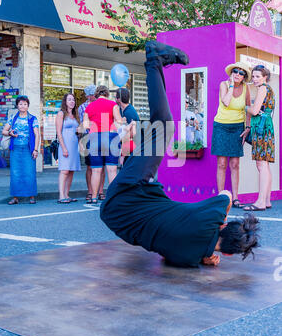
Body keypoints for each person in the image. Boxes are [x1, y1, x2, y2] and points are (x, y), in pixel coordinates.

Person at [100, 41, 259, 268]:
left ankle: (154, 59)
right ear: (229, 254)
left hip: (129, 192)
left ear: (223, 226)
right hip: (116, 219)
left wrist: (220, 222)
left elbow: (225, 194)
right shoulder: (188, 258)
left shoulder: (212, 217)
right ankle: (157, 63)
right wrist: (204, 255)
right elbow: (166, 256)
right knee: (161, 127)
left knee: (164, 127)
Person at [211, 62, 252, 208]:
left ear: (244, 77)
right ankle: (221, 197)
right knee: (221, 164)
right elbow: (226, 102)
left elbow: (248, 108)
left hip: (237, 127)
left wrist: (247, 127)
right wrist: (232, 86)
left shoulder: (246, 88)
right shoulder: (224, 84)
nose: (238, 74)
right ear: (231, 73)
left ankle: (235, 198)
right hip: (221, 126)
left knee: (235, 164)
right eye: (235, 71)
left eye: (241, 73)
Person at [83, 85, 123, 204]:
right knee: (112, 170)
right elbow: (119, 120)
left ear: (96, 94)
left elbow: (85, 125)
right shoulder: (112, 105)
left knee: (96, 171)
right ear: (107, 93)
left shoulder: (89, 106)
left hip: (94, 138)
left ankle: (94, 197)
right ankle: (113, 198)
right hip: (110, 137)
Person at [243, 65, 275, 211]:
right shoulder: (269, 89)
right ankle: (266, 200)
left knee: (261, 165)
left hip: (261, 129)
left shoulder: (263, 88)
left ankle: (261, 202)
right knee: (265, 165)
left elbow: (255, 111)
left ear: (265, 77)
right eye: (253, 76)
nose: (254, 79)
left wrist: (245, 107)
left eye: (257, 76)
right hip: (266, 128)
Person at [2, 95, 40, 205]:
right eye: (20, 104)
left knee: (29, 172)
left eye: (25, 104)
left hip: (29, 149)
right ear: (17, 105)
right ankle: (15, 197)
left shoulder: (32, 118)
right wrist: (10, 133)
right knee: (15, 173)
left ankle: (31, 196)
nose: (22, 106)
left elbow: (37, 135)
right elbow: (4, 131)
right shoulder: (13, 118)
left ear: (28, 106)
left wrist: (36, 149)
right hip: (16, 149)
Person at [78, 85, 106, 203]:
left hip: (103, 136)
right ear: (89, 96)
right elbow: (84, 125)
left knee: (102, 167)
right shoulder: (83, 107)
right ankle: (90, 191)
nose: (96, 96)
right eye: (94, 94)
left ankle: (100, 191)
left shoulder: (103, 104)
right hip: (89, 137)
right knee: (90, 167)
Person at [56, 93, 81, 203]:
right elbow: (58, 132)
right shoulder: (61, 114)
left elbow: (77, 131)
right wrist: (64, 147)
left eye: (73, 100)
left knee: (71, 171)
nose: (72, 101)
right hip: (65, 145)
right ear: (65, 102)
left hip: (74, 145)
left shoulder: (75, 115)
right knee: (64, 170)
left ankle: (67, 194)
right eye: (69, 99)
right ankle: (61, 196)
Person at [115, 87, 139, 164]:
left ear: (119, 99)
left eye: (116, 96)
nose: (115, 98)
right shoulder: (122, 110)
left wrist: (119, 139)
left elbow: (132, 133)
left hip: (131, 146)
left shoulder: (129, 112)